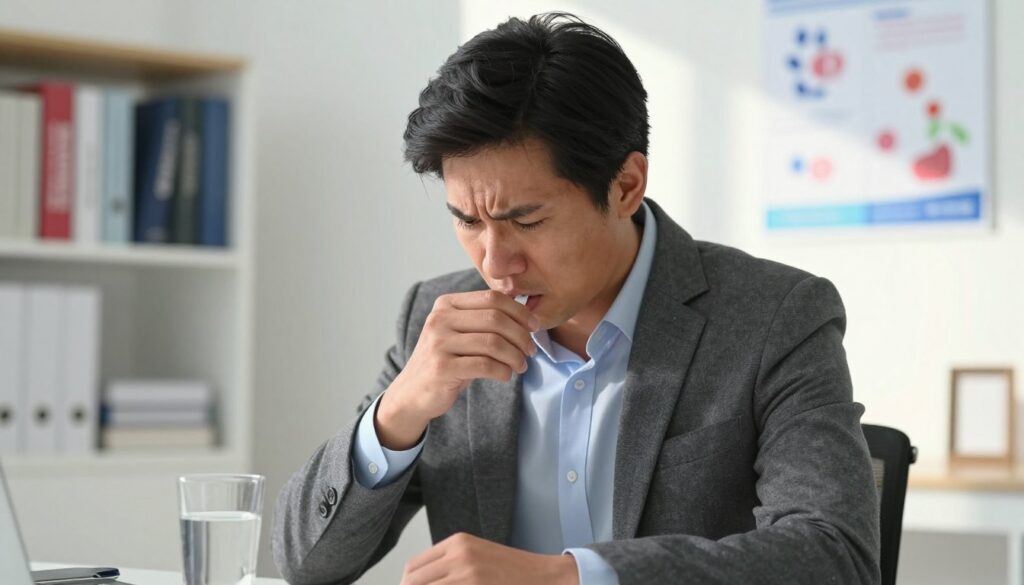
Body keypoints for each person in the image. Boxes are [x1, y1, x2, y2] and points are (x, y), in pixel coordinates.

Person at [272, 12, 880, 585]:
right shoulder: (436, 319)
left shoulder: (776, 315)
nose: (494, 264)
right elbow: (305, 565)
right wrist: (399, 411)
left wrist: (566, 576)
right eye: (467, 221)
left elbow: (835, 554)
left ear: (626, 186)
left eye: (527, 221)